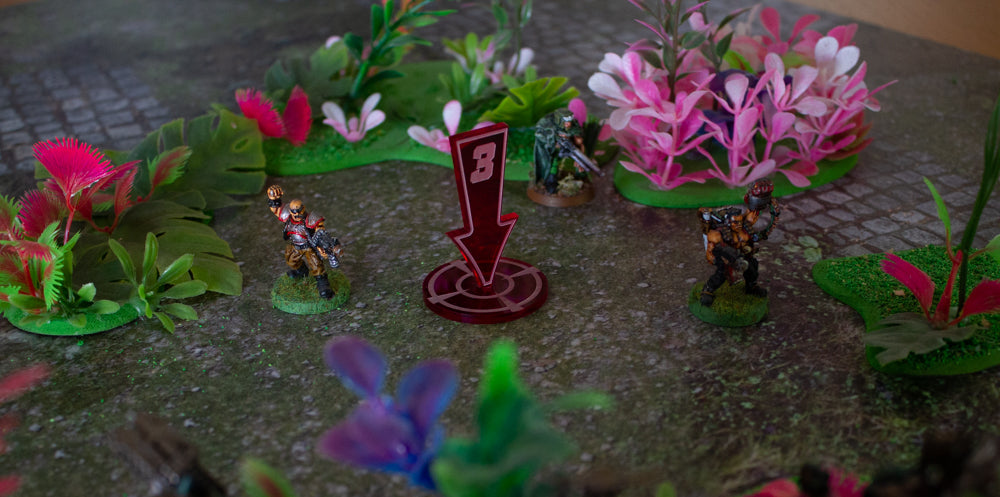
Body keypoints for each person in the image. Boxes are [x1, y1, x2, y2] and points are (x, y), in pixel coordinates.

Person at [266, 185, 342, 299]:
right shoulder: (288, 216)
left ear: (303, 208)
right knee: (291, 260)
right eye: (294, 212)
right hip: (296, 245)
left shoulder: (311, 218)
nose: (296, 214)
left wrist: (323, 246)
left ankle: (323, 284)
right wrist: (273, 198)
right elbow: (276, 210)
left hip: (309, 247)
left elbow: (320, 231)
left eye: (298, 211)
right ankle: (302, 272)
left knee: (316, 265)